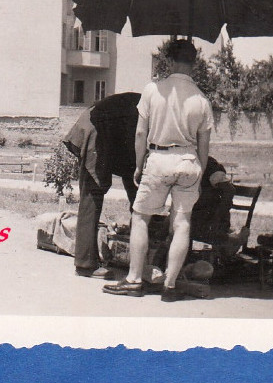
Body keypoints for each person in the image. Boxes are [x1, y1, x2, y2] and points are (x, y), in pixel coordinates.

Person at [104, 39, 213, 302]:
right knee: (182, 222)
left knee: (141, 217)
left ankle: (133, 279)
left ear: (170, 60)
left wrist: (140, 165)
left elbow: (141, 132)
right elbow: (204, 147)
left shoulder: (153, 90)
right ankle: (171, 285)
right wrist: (198, 175)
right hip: (189, 161)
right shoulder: (202, 100)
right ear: (194, 63)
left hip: (160, 157)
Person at [63, 92, 140, 279]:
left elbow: (132, 176)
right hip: (95, 134)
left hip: (103, 132)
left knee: (133, 193)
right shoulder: (154, 113)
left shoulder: (148, 107)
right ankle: (85, 265)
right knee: (92, 196)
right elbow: (136, 177)